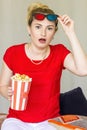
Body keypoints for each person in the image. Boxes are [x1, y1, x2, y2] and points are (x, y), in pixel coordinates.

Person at [0, 2, 87, 130]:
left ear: (54, 33)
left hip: (49, 122)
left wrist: (70, 32)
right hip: (16, 120)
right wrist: (7, 93)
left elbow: (83, 70)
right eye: (38, 27)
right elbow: (2, 85)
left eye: (49, 28)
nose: (43, 33)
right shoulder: (13, 52)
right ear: (29, 29)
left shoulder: (59, 52)